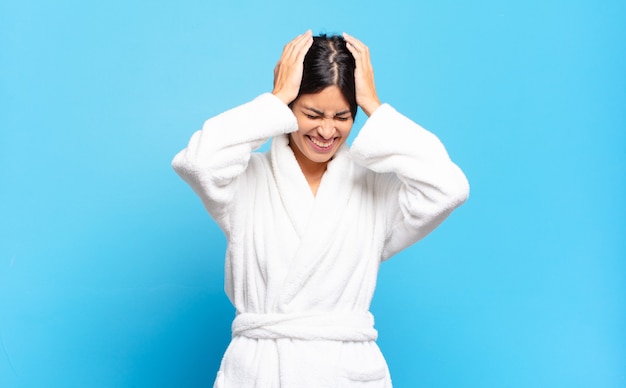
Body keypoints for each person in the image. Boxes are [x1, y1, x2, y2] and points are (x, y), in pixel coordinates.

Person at [172, 30, 469, 388]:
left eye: (342, 117)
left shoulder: (375, 187)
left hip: (345, 372)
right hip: (262, 371)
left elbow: (448, 188)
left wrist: (377, 107)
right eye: (312, 114)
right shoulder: (246, 181)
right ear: (287, 111)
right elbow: (199, 163)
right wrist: (275, 97)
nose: (327, 131)